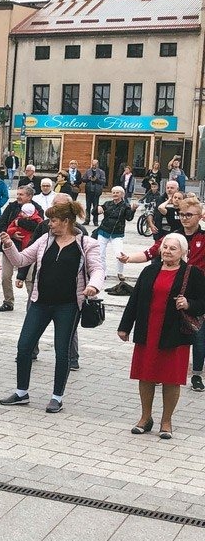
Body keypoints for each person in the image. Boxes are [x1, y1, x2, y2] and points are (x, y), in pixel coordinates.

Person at [0, 200, 104, 413]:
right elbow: (21, 260)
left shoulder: (86, 244)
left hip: (68, 305)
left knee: (61, 351)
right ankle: (21, 392)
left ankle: (57, 397)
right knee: (24, 346)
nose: (50, 224)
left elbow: (97, 269)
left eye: (53, 220)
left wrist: (93, 286)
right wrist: (9, 245)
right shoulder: (45, 240)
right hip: (40, 302)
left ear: (66, 221)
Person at [118, 233, 205, 440]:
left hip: (175, 333)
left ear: (183, 252)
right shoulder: (149, 270)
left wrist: (189, 304)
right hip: (148, 330)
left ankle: (166, 421)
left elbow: (202, 301)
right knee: (145, 374)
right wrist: (125, 327)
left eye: (173, 248)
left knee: (171, 378)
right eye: (165, 247)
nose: (167, 251)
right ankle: (145, 418)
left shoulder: (192, 273)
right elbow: (135, 300)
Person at [120, 197, 205, 391]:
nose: (184, 218)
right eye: (181, 214)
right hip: (172, 289)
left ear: (200, 216)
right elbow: (151, 252)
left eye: (189, 215)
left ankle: (196, 375)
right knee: (166, 334)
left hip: (196, 291)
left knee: (198, 335)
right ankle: (159, 371)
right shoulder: (173, 237)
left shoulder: (203, 237)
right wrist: (129, 259)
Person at [0, 186, 42, 312]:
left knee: (29, 279)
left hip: (29, 249)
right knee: (5, 276)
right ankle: (8, 302)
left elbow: (38, 227)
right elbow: (1, 224)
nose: (18, 197)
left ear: (29, 196)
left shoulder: (37, 208)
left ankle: (32, 304)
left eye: (21, 194)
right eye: (18, 194)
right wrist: (10, 234)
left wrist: (19, 223)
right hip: (10, 246)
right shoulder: (11, 207)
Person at [97, 186, 137, 295]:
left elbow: (129, 218)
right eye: (113, 192)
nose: (115, 194)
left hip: (117, 233)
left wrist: (133, 210)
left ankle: (120, 272)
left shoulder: (125, 205)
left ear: (122, 195)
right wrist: (97, 208)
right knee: (100, 253)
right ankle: (102, 272)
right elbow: (95, 212)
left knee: (119, 254)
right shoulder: (107, 203)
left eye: (117, 193)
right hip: (104, 231)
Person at [82, 159, 107, 225]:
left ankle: (95, 221)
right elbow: (83, 179)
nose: (94, 166)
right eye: (93, 165)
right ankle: (87, 220)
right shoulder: (88, 171)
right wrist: (88, 179)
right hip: (89, 191)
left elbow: (103, 181)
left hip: (96, 191)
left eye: (95, 165)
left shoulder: (101, 172)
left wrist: (97, 180)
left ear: (97, 164)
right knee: (88, 206)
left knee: (95, 206)